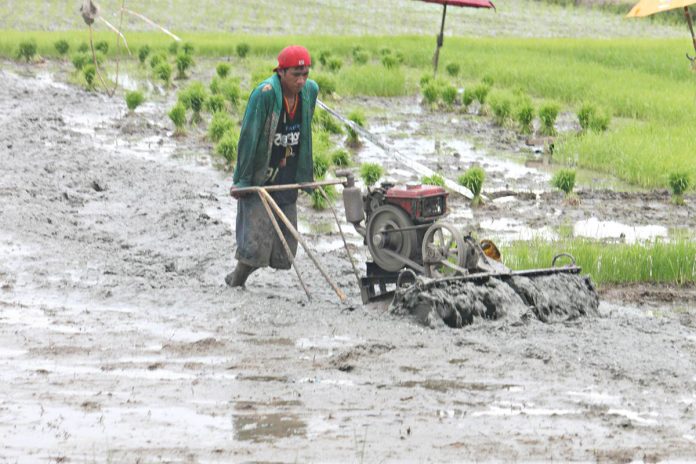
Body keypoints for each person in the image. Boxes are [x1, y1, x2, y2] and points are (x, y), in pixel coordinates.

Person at [226, 45, 319, 287]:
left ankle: (240, 275)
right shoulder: (265, 94)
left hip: (287, 173)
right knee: (256, 242)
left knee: (286, 244)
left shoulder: (310, 91)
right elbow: (248, 136)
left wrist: (305, 174)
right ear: (281, 72)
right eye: (295, 74)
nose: (301, 80)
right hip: (261, 175)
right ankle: (237, 279)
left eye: (305, 74)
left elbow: (305, 132)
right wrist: (242, 180)